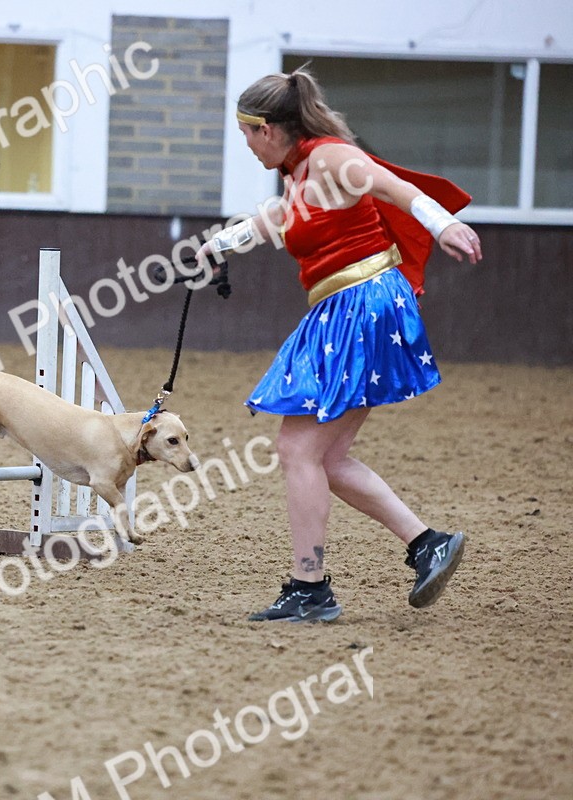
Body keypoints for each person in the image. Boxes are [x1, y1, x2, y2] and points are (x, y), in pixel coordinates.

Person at [196, 66, 481, 622]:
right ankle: (428, 544)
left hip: (362, 304)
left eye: (247, 134)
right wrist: (223, 243)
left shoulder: (327, 156)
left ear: (268, 129)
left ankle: (310, 588)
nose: (248, 146)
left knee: (299, 450)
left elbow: (392, 187)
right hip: (346, 306)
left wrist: (442, 223)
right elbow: (283, 218)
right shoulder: (300, 171)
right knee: (324, 455)